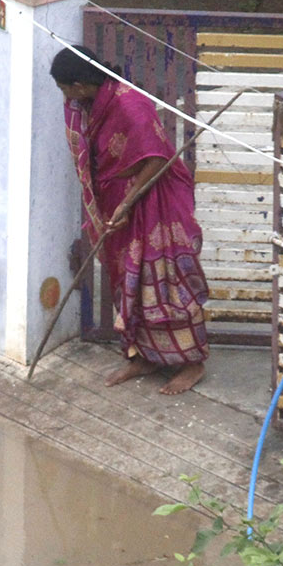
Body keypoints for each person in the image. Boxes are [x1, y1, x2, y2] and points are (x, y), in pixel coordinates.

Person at [50, 44, 209, 395]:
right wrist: (116, 207)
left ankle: (192, 362)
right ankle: (146, 356)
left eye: (64, 90)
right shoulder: (90, 105)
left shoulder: (129, 104)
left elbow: (157, 160)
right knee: (131, 283)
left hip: (154, 202)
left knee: (166, 282)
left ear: (78, 84)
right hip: (118, 204)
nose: (66, 99)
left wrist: (127, 204)